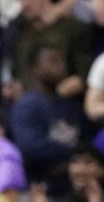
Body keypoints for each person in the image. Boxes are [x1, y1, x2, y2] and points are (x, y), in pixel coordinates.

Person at [1, 0, 93, 101]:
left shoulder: (74, 29)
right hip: (25, 106)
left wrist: (55, 94)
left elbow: (85, 76)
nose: (23, 3)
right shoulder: (20, 32)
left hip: (64, 107)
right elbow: (16, 73)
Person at [10, 43, 92, 192]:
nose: (61, 66)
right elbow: (31, 148)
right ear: (36, 68)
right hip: (40, 186)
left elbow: (86, 144)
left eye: (62, 61)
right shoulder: (28, 105)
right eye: (53, 61)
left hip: (72, 186)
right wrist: (71, 155)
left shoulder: (72, 105)